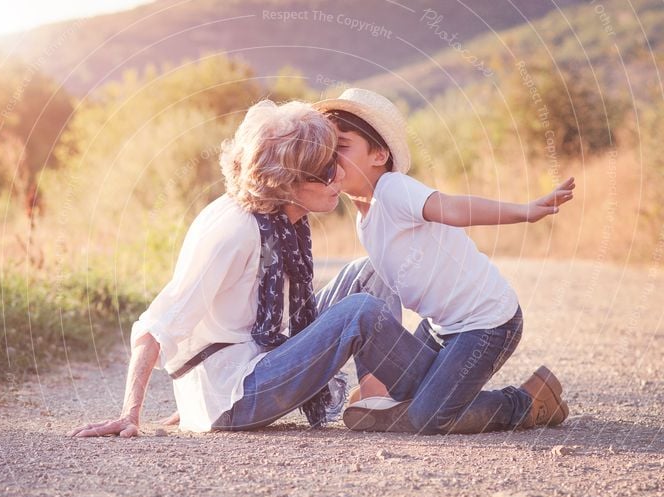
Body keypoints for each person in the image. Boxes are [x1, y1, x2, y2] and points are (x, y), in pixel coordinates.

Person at [69, 100, 439, 438]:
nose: (339, 178)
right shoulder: (235, 230)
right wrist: (130, 414)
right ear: (286, 181)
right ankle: (443, 396)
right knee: (361, 311)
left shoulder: (282, 217)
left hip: (262, 357)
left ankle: (378, 398)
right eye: (326, 170)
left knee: (371, 271)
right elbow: (157, 325)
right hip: (238, 393)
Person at [313, 88, 572, 434]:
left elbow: (451, 207)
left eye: (342, 147)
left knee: (429, 418)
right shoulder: (365, 219)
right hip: (439, 329)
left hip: (487, 325)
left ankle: (526, 401)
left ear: (378, 154)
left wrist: (523, 212)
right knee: (419, 397)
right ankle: (409, 398)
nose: (332, 158)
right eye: (327, 149)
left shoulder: (392, 188)